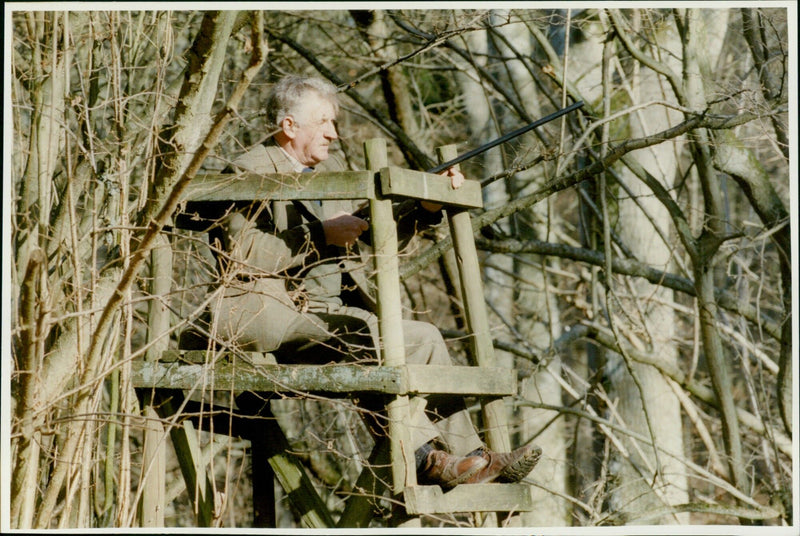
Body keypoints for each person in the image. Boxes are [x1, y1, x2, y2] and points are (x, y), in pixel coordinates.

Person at [194, 75, 540, 488]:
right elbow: (243, 254)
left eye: (333, 123)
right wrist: (320, 235)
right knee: (366, 335)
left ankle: (471, 460)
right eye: (323, 122)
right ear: (289, 126)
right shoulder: (248, 170)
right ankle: (426, 460)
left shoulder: (334, 171)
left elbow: (370, 229)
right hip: (269, 311)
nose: (334, 134)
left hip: (327, 315)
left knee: (425, 336)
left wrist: (425, 206)